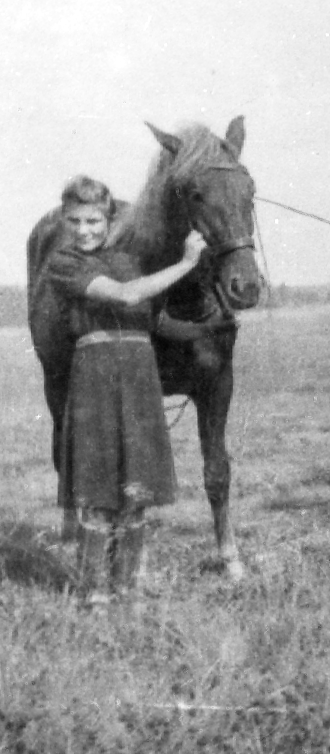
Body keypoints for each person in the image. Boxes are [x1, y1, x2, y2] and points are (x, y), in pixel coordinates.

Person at [41, 175, 207, 607]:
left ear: (107, 218)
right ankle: (94, 595)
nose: (85, 230)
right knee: (97, 493)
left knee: (137, 492)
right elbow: (127, 297)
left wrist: (211, 327)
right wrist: (188, 262)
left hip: (139, 375)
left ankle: (127, 591)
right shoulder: (63, 262)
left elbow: (153, 320)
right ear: (64, 220)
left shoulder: (127, 257)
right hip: (95, 376)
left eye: (94, 220)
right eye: (75, 221)